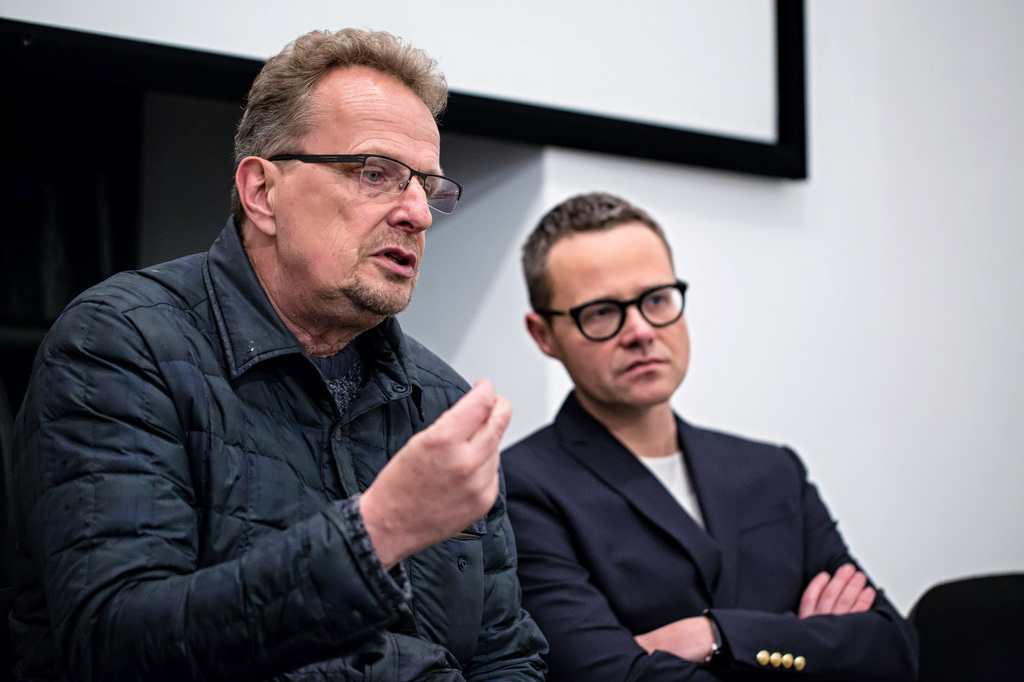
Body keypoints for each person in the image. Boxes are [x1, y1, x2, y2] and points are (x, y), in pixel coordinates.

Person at [8, 29, 546, 681]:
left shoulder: (444, 402)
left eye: (427, 188)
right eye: (375, 173)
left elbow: (506, 655)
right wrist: (378, 532)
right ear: (262, 192)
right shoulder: (122, 344)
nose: (418, 214)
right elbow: (115, 644)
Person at [502, 193, 917, 681]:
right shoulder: (519, 488)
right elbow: (608, 675)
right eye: (601, 312)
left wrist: (713, 636)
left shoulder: (773, 470)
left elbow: (891, 650)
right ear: (543, 335)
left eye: (656, 300)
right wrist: (802, 644)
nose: (640, 331)